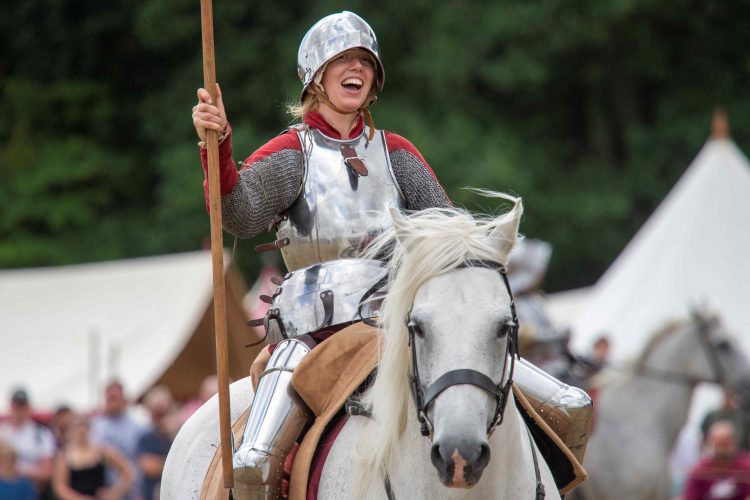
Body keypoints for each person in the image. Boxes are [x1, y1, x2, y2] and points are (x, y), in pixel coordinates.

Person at [192, 10, 591, 496]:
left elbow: (449, 241)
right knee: (254, 464)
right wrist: (219, 147)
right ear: (316, 76)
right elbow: (240, 215)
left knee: (571, 406)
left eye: (364, 60)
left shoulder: (396, 153)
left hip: (400, 323)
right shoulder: (292, 153)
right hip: (312, 335)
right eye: (343, 60)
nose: (355, 68)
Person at [52, 414, 134, 500]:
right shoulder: (64, 456)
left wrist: (115, 492)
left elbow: (127, 473)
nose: (81, 431)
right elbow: (61, 487)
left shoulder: (102, 451)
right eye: (77, 428)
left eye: (83, 427)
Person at [89, 381, 144, 500]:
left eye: (115, 398)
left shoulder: (139, 428)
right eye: (108, 398)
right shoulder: (94, 426)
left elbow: (140, 463)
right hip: (101, 491)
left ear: (124, 399)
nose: (111, 402)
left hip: (132, 492)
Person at [0, 388, 55, 496]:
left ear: (28, 408)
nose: (19, 411)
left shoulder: (41, 433)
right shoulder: (2, 431)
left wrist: (17, 470)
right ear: (11, 407)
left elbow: (47, 472)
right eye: (17, 406)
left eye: (22, 406)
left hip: (32, 488)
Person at [682, 419, 750, 500]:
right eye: (718, 442)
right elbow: (691, 496)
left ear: (734, 441)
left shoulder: (746, 467)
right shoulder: (700, 470)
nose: (722, 446)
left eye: (726, 441)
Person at [136, 387, 177, 500]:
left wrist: (173, 436)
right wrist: (174, 465)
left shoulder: (179, 434)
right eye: (157, 414)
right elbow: (149, 467)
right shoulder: (145, 438)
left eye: (163, 413)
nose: (161, 419)